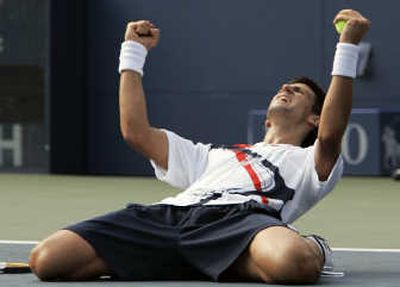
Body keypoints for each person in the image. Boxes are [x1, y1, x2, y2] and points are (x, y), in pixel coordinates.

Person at [29, 9, 370, 284]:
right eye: (285, 86)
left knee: (292, 264)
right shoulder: (212, 157)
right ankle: (209, 261)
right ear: (266, 120)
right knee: (47, 260)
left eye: (299, 91)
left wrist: (347, 46)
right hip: (171, 217)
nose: (286, 87)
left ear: (314, 119)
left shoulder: (311, 160)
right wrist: (133, 52)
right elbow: (135, 132)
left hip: (244, 221)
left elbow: (330, 135)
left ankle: (315, 248)